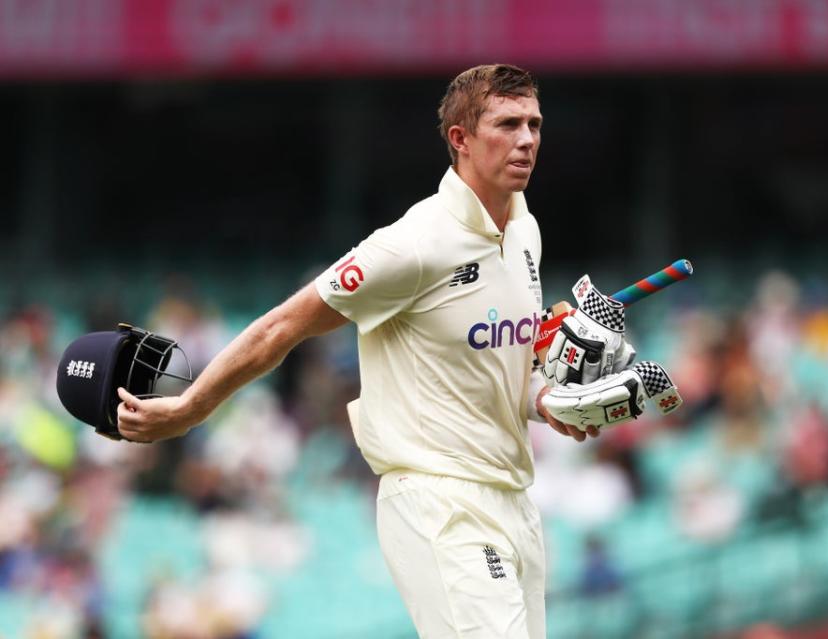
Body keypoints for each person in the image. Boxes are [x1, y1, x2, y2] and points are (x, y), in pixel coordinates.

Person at [113, 64, 612, 639]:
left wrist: (546, 398)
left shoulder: (526, 232)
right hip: (438, 501)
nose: (527, 139)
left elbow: (498, 370)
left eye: (534, 124)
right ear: (461, 139)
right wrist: (192, 406)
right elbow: (282, 326)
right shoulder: (413, 244)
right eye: (507, 123)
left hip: (515, 499)